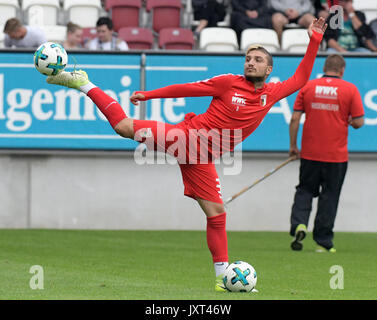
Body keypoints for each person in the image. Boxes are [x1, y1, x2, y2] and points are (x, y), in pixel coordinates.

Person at [46, 18, 327, 292]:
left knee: (217, 215)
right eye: (248, 58)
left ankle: (221, 279)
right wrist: (149, 95)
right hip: (188, 138)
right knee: (123, 127)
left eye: (257, 59)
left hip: (202, 157)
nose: (250, 62)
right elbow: (188, 88)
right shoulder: (228, 83)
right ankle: (83, 83)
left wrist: (314, 40)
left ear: (268, 69)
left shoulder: (271, 94)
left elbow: (301, 77)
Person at [289, 54, 364, 253]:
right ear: (342, 70)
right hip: (336, 156)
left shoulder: (308, 86)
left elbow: (295, 119)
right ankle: (322, 242)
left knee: (305, 190)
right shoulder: (350, 89)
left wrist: (293, 146)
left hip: (310, 154)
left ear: (324, 67)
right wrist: (348, 120)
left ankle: (299, 224)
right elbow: (359, 122)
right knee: (329, 196)